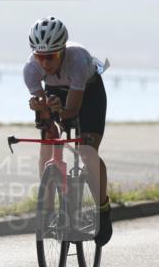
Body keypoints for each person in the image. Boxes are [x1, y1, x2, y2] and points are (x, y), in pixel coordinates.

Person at [23, 17, 112, 245]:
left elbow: (72, 111)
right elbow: (50, 126)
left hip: (89, 94)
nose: (44, 63)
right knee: (48, 141)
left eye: (50, 57)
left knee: (86, 152)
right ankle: (49, 211)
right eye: (39, 56)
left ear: (62, 51)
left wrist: (58, 110)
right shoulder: (30, 70)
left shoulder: (78, 60)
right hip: (57, 91)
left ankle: (103, 210)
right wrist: (43, 112)